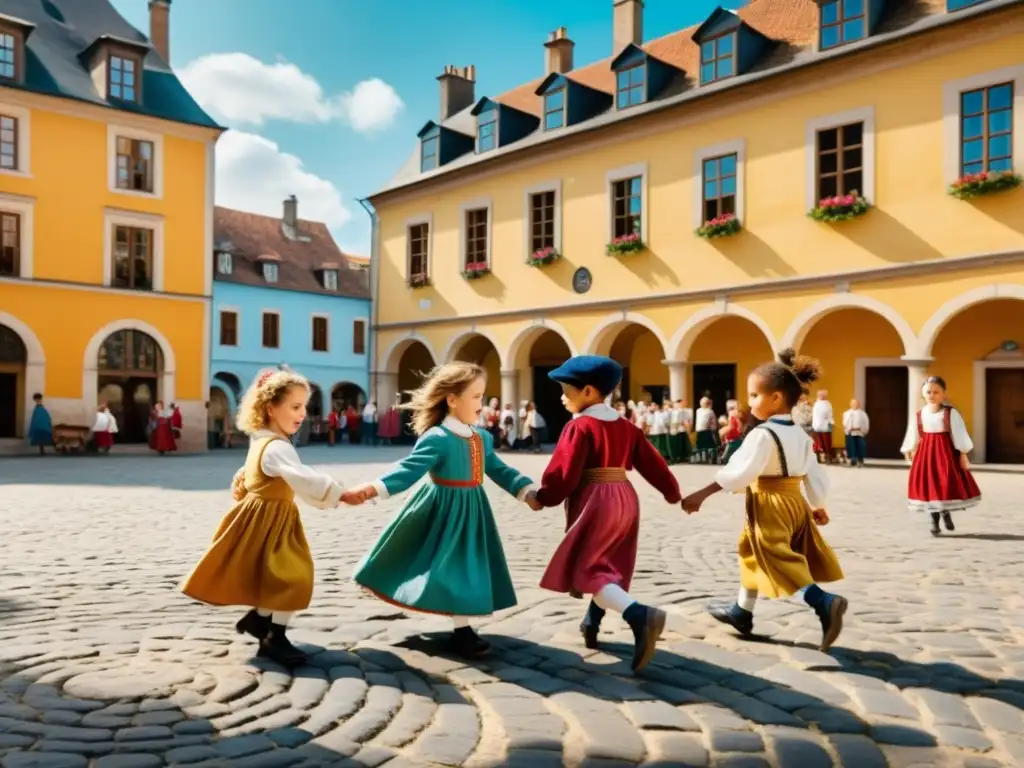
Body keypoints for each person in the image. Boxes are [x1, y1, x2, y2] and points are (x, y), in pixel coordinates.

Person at [347, 363, 536, 658]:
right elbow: (408, 470)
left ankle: (462, 628)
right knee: (447, 564)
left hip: (473, 510)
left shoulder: (482, 438)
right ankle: (463, 632)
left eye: (482, 397)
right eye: (475, 397)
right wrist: (372, 488)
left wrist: (526, 491)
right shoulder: (437, 437)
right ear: (452, 399)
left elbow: (498, 469)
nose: (481, 404)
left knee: (466, 565)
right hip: (441, 509)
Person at [181, 370, 358, 668]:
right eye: (295, 407)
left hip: (266, 518)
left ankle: (262, 622)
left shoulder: (263, 440)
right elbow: (305, 479)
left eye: (304, 407)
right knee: (293, 576)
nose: (303, 414)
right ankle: (274, 635)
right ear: (270, 408)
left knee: (275, 576)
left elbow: (250, 471)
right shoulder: (277, 447)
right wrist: (340, 493)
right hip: (270, 520)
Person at [682, 349, 847, 652]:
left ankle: (822, 601)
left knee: (777, 559)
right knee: (752, 550)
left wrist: (701, 494)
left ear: (777, 398)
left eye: (755, 395)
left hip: (769, 503)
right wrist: (817, 504)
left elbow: (740, 472)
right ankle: (741, 611)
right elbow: (813, 472)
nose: (751, 401)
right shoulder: (799, 434)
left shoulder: (762, 435)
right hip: (795, 503)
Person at [524, 355, 681, 673]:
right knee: (609, 562)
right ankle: (591, 622)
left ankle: (639, 615)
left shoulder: (579, 427)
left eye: (567, 390)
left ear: (589, 392)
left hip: (597, 499)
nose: (561, 396)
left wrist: (544, 497)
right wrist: (672, 492)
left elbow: (564, 474)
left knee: (589, 568)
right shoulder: (627, 426)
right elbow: (653, 464)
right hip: (625, 497)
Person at [901, 375, 981, 536]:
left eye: (936, 392)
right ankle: (934, 519)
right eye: (928, 392)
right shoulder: (919, 414)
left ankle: (945, 513)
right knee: (930, 484)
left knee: (944, 483)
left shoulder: (950, 413)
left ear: (943, 394)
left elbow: (959, 433)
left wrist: (963, 453)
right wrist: (909, 449)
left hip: (946, 454)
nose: (932, 395)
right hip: (926, 455)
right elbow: (913, 432)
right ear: (924, 394)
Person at [842, 399, 870, 467]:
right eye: (853, 403)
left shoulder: (863, 414)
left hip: (859, 432)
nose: (855, 405)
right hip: (850, 432)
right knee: (851, 446)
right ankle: (853, 460)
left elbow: (866, 422)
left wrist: (863, 429)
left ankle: (860, 459)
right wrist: (848, 428)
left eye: (857, 403)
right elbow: (845, 422)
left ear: (859, 404)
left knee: (860, 446)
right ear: (850, 404)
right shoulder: (847, 413)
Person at [812, 390, 834, 464]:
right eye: (820, 395)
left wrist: (830, 425)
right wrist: (814, 425)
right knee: (818, 443)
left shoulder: (828, 404)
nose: (821, 396)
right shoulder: (816, 404)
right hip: (816, 426)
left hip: (826, 426)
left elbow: (829, 415)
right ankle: (821, 457)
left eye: (823, 395)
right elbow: (814, 415)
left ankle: (828, 457)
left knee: (827, 443)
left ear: (826, 396)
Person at [694, 397, 717, 464]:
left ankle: (709, 458)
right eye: (701, 403)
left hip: (707, 431)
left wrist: (712, 428)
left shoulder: (710, 411)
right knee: (700, 445)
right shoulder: (698, 410)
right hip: (699, 430)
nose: (702, 404)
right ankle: (701, 459)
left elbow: (713, 422)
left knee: (708, 445)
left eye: (704, 403)